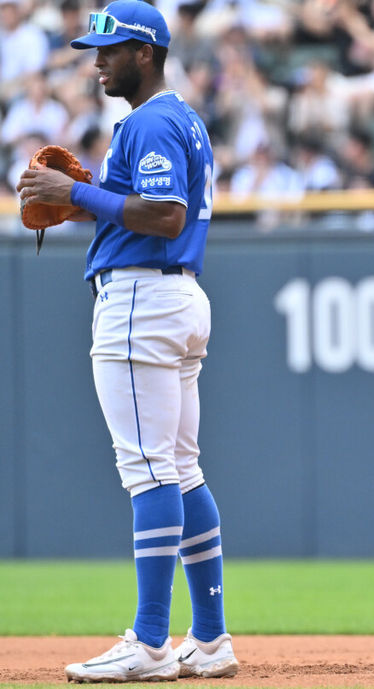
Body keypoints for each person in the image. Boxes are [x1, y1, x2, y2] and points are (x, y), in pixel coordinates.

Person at [16, 1, 237, 682]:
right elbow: (144, 210)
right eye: (94, 50)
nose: (98, 61)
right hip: (171, 296)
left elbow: (166, 216)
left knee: (149, 471)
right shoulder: (180, 120)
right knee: (181, 466)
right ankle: (209, 638)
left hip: (144, 298)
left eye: (110, 51)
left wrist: (76, 195)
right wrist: (90, 189)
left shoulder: (152, 120)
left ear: (146, 52)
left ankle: (148, 642)